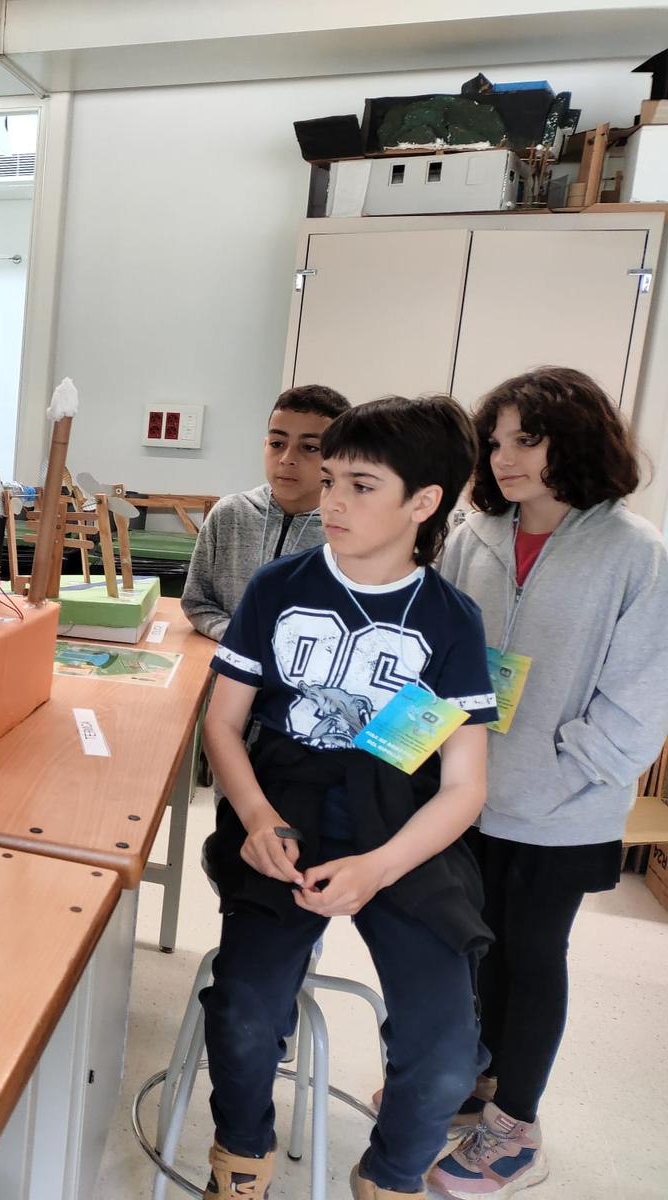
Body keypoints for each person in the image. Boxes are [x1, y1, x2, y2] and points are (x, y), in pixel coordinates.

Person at [200, 395, 499, 1200]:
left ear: (423, 502)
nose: (330, 499)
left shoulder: (451, 621)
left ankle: (390, 1177)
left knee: (447, 1052)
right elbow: (222, 724)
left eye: (360, 486)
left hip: (399, 819)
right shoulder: (278, 587)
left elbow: (464, 787)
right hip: (285, 802)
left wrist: (378, 868)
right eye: (330, 479)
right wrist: (257, 818)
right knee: (244, 1011)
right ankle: (241, 1159)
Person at [428, 368, 668, 1199]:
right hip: (464, 794)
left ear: (578, 440)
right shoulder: (473, 535)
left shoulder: (636, 552)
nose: (504, 458)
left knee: (531, 958)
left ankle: (516, 1131)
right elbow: (440, 656)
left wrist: (565, 770)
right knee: (472, 947)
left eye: (526, 440)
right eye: (495, 441)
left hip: (562, 809)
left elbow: (642, 698)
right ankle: (477, 1080)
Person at [182, 384, 350, 640]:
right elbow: (198, 602)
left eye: (309, 447)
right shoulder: (230, 514)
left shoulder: (348, 530)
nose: (286, 458)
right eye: (277, 443)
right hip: (229, 658)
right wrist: (242, 642)